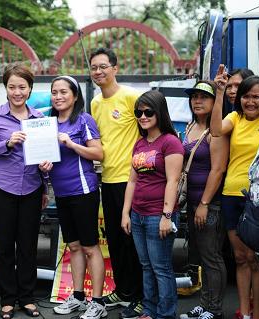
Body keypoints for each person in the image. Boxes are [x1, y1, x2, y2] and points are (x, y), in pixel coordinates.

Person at [0, 63, 52, 319]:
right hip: (1, 187)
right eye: (12, 87)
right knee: (5, 245)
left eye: (22, 87)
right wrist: (6, 143)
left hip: (31, 188)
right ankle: (8, 299)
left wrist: (46, 166)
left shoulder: (40, 120)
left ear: (30, 88)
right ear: (5, 88)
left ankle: (27, 298)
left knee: (28, 246)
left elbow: (46, 159)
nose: (17, 92)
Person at [89, 47, 143, 318]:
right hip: (107, 180)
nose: (98, 71)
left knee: (133, 241)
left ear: (115, 68)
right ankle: (122, 291)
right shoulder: (95, 103)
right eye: (94, 68)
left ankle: (140, 296)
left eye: (103, 66)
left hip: (131, 180)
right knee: (114, 240)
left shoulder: (132, 97)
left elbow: (149, 131)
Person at [46, 76, 106, 319]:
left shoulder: (84, 120)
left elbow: (98, 153)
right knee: (73, 246)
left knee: (90, 247)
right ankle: (79, 297)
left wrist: (71, 144)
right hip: (61, 193)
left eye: (63, 92)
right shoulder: (47, 123)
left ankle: (98, 302)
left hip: (83, 192)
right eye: (54, 92)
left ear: (75, 96)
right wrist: (44, 163)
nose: (58, 96)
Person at [121, 90, 184, 319]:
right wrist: (126, 213)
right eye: (139, 112)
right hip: (138, 214)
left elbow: (173, 181)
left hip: (159, 215)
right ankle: (148, 311)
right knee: (146, 267)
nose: (143, 116)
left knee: (161, 269)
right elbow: (132, 180)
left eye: (148, 111)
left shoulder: (170, 142)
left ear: (159, 112)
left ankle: (165, 314)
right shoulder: (140, 144)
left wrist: (166, 216)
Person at [212, 66, 259, 319]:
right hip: (232, 194)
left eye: (256, 97)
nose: (250, 101)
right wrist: (220, 94)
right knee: (241, 258)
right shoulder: (236, 119)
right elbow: (215, 131)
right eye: (246, 96)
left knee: (256, 260)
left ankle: (258, 313)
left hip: (258, 199)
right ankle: (243, 310)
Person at [179, 81, 229, 319]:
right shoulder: (190, 127)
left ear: (214, 102)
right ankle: (205, 303)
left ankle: (215, 309)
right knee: (200, 257)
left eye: (203, 97)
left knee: (212, 257)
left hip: (210, 204)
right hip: (192, 203)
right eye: (194, 97)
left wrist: (205, 204)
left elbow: (217, 170)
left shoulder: (215, 131)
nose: (197, 101)